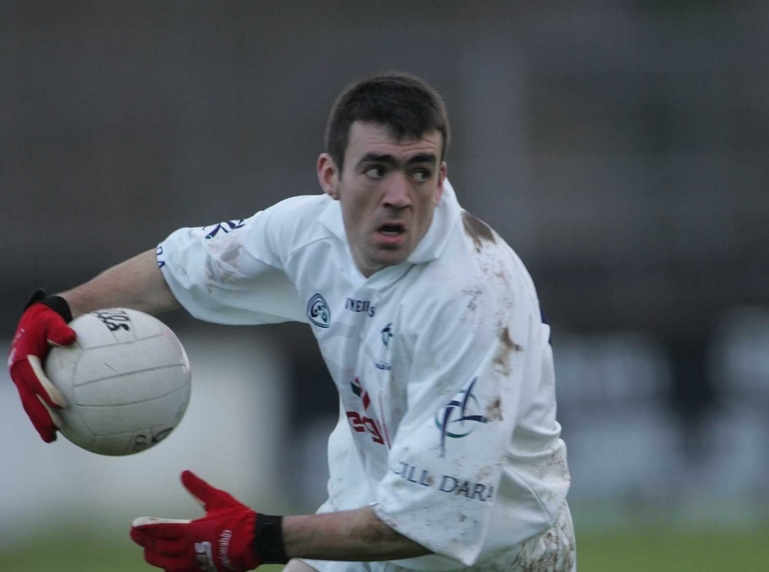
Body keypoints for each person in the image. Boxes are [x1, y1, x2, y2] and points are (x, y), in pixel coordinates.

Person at [8, 72, 576, 572]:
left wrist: (257, 537)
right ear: (330, 175)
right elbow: (174, 270)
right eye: (376, 169)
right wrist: (56, 310)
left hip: (491, 556)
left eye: (419, 171)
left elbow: (431, 522)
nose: (399, 196)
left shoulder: (472, 297)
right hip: (367, 509)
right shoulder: (306, 233)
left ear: (441, 176)